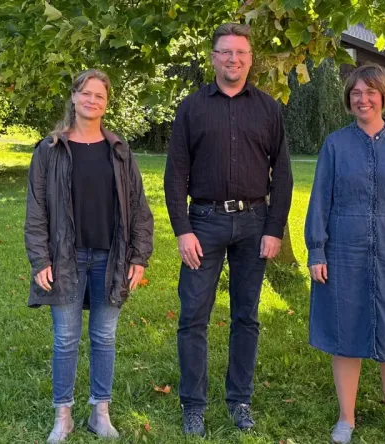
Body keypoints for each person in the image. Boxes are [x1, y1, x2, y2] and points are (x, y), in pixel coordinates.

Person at [164, 22, 293, 436]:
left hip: (255, 224)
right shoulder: (192, 108)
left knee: (246, 317)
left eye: (240, 52)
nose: (233, 59)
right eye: (225, 52)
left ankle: (240, 401)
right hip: (203, 224)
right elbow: (175, 174)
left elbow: (282, 174)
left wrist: (274, 228)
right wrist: (182, 230)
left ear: (250, 59)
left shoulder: (269, 109)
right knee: (193, 316)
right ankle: (193, 405)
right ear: (213, 58)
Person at [304, 63, 385, 444]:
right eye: (356, 93)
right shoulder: (335, 145)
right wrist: (317, 250)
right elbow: (320, 200)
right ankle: (346, 418)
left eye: (370, 92)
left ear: (383, 96)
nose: (363, 100)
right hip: (344, 253)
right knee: (346, 333)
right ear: (349, 99)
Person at [24, 69, 153, 443]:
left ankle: (100, 412)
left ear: (106, 103)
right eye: (86, 93)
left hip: (111, 259)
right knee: (65, 339)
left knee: (104, 336)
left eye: (99, 95)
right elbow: (36, 210)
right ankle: (63, 416)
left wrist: (139, 257)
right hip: (65, 258)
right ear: (74, 97)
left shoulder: (119, 150)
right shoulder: (50, 149)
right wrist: (40, 259)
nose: (92, 100)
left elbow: (139, 207)